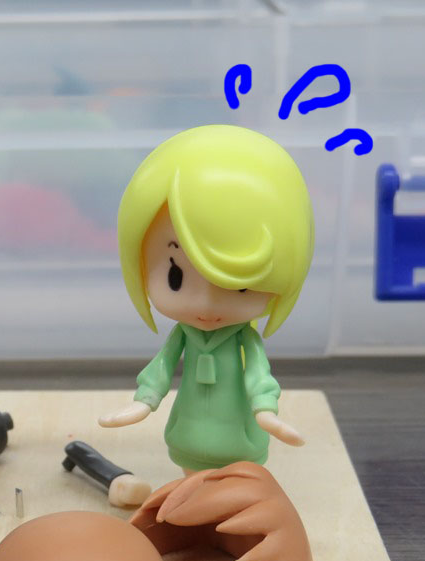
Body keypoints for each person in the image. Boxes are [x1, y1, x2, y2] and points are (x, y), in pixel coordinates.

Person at [99, 125, 314, 475]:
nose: (206, 305)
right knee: (193, 487)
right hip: (188, 434)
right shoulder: (184, 335)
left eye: (240, 286)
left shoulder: (244, 339)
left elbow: (259, 375)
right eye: (176, 276)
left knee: (236, 488)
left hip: (238, 437)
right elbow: (161, 368)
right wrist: (143, 403)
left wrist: (265, 412)